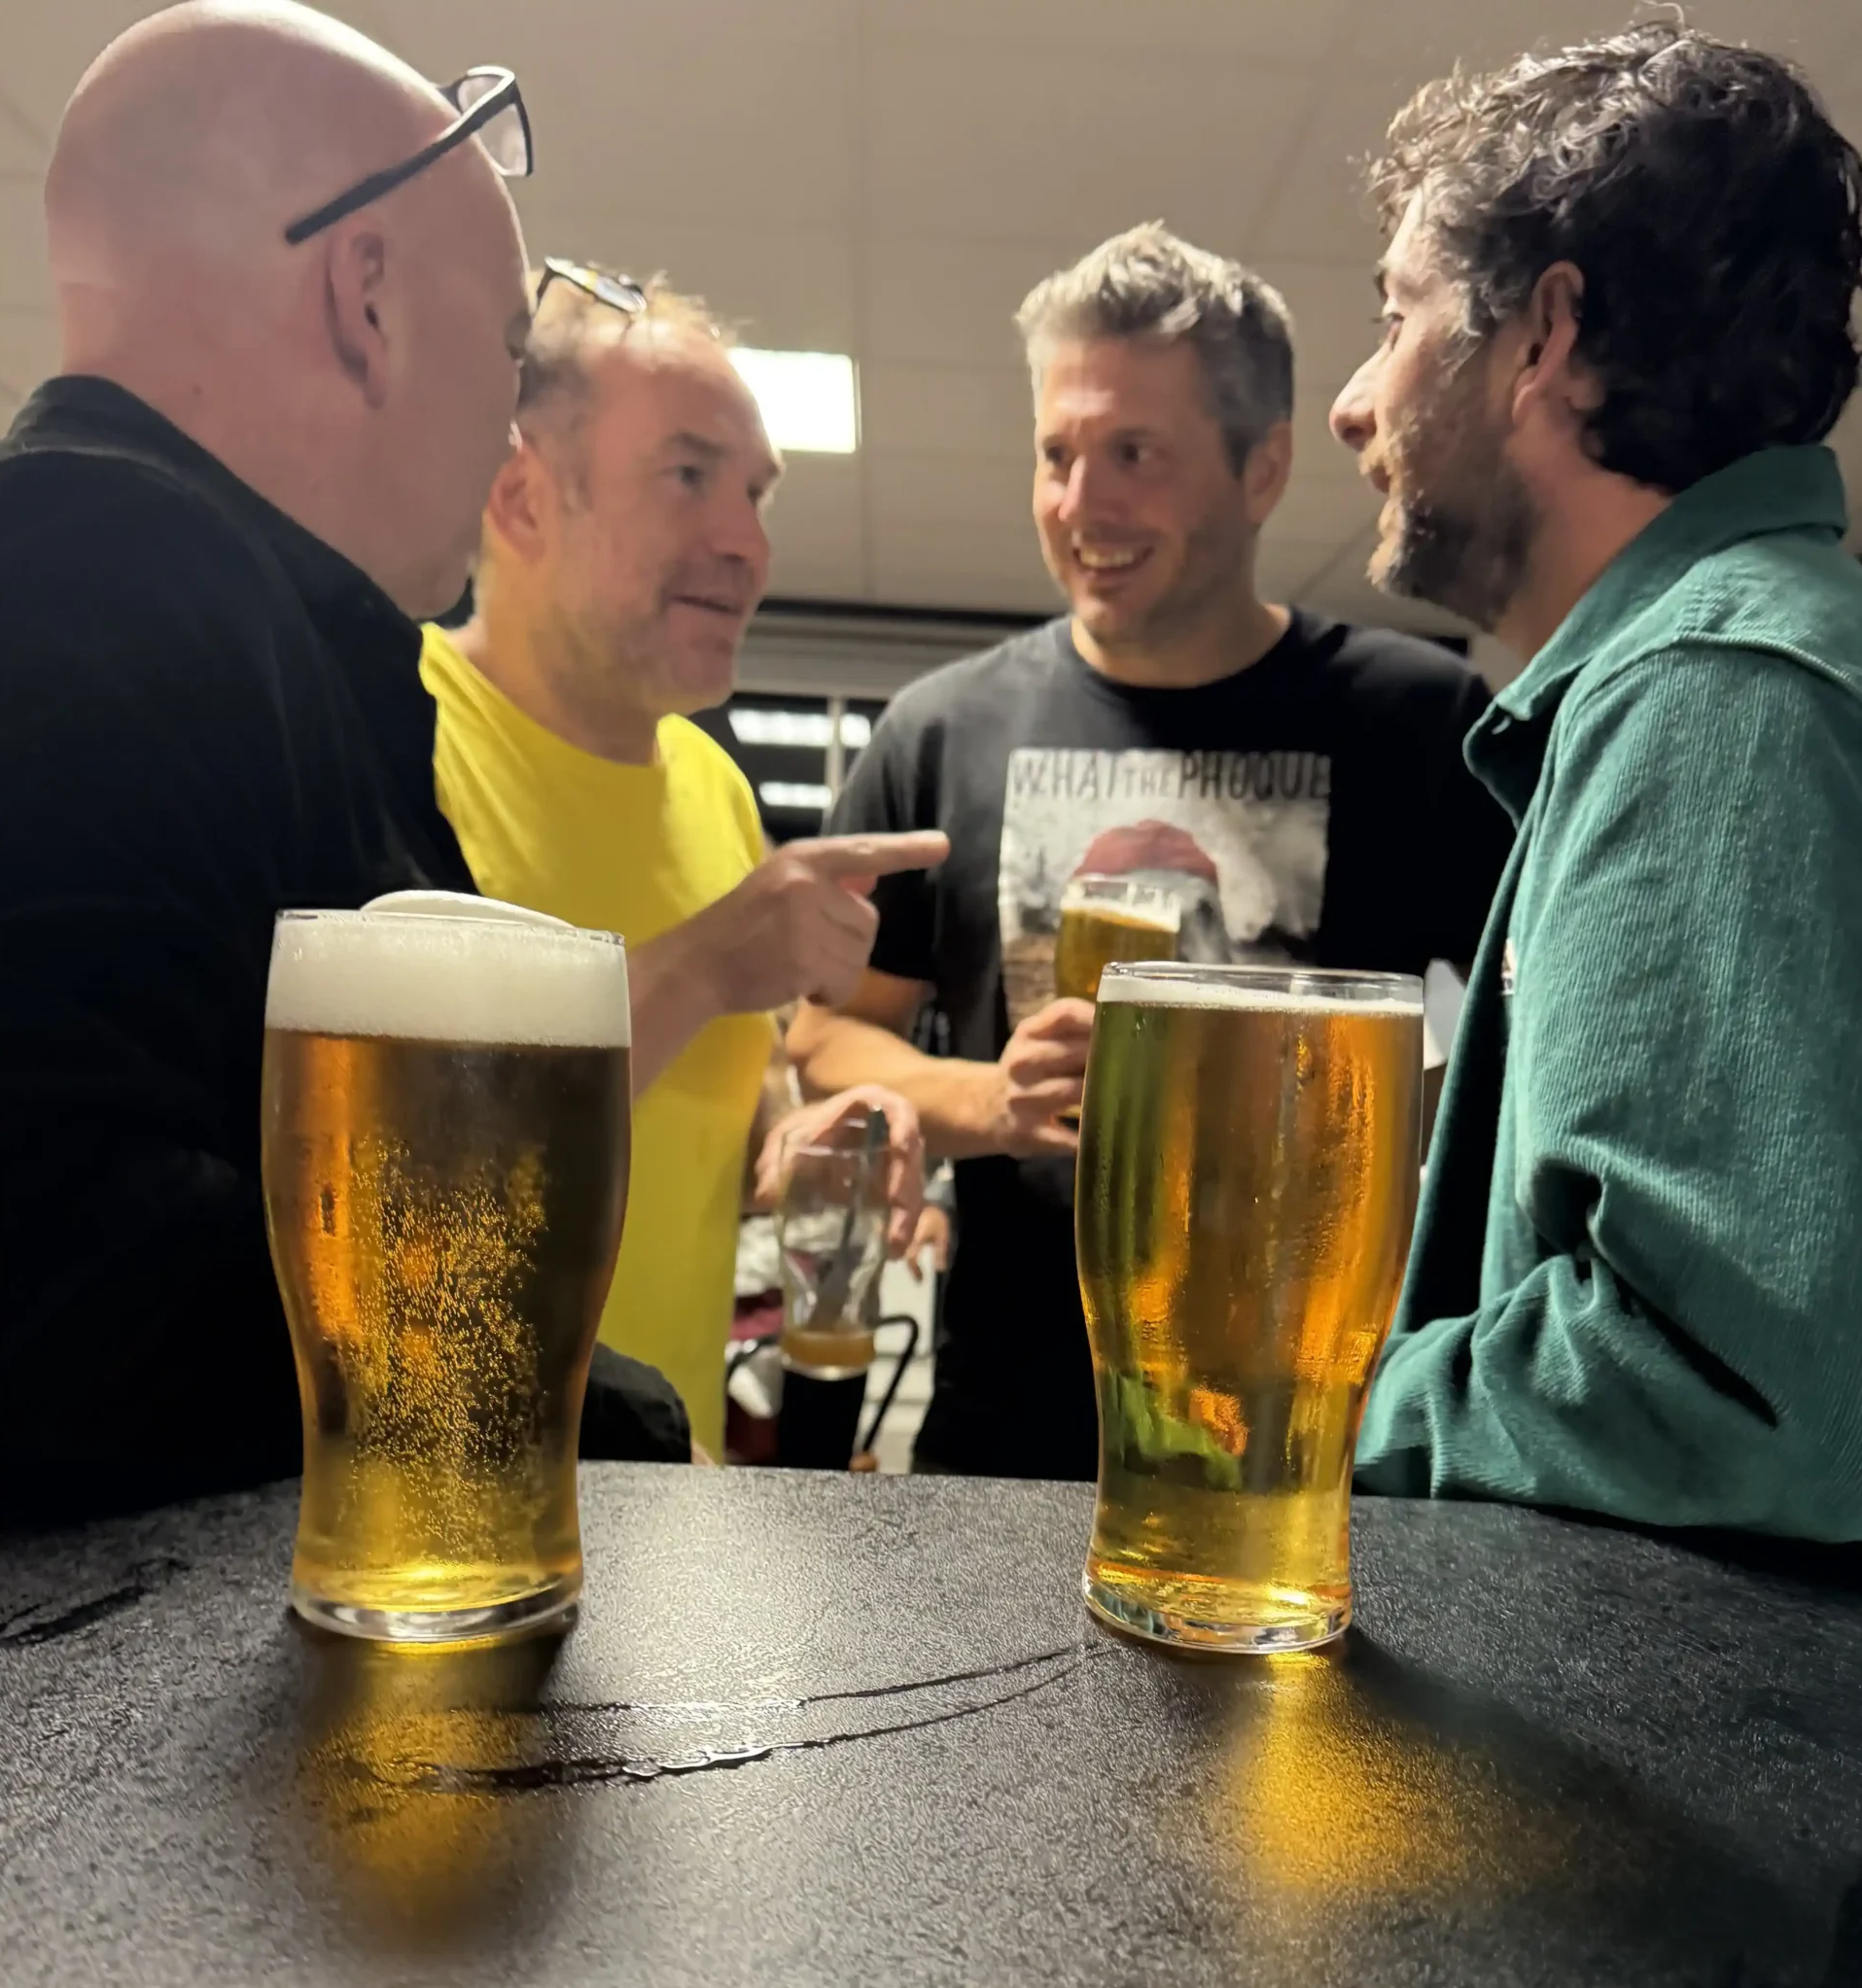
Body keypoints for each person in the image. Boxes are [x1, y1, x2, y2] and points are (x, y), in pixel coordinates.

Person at [0, 2, 686, 1526]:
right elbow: (53, 1283)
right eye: (510, 359)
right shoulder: (93, 584)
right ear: (367, 300)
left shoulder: (221, 616)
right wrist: (604, 1416)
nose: (511, 445)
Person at [788, 224, 1515, 1482]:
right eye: (1057, 454)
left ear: (1264, 468)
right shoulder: (939, 731)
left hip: (1310, 1453)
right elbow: (825, 1041)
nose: (1082, 505)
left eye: (1136, 454)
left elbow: (1527, 1071)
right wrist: (991, 1102)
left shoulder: (1423, 727)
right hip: (1004, 1440)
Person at [1333, 28, 1862, 1539]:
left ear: (1545, 338)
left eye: (1398, 317)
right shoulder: (1751, 661)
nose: (1356, 402)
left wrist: (1330, 1395)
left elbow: (1732, 1397)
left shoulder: (1716, 694)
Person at [423, 271, 941, 1456]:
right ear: (520, 497)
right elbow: (420, 1188)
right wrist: (707, 962)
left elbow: (720, 1106)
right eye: (689, 475)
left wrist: (804, 1134)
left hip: (671, 1511)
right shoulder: (389, 732)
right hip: (445, 1516)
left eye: (754, 493)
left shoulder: (711, 787)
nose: (748, 544)